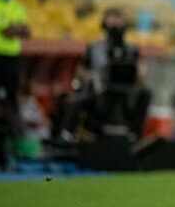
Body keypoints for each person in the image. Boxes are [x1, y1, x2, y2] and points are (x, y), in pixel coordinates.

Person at [59, 8, 150, 141]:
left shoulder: (132, 49)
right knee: (77, 99)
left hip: (125, 91)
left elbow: (140, 71)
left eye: (118, 26)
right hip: (98, 91)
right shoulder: (95, 47)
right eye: (111, 25)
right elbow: (81, 69)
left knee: (145, 95)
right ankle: (66, 134)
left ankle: (135, 134)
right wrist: (92, 77)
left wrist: (139, 75)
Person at [0, 0, 30, 170]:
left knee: (11, 103)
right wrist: (15, 29)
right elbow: (7, 31)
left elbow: (27, 32)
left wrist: (14, 29)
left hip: (12, 60)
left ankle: (9, 154)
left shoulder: (17, 6)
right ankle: (0, 152)